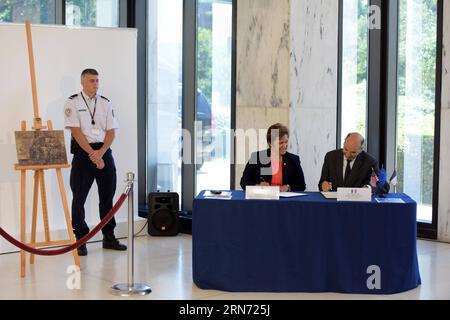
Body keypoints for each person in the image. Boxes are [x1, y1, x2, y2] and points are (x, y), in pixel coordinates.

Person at [64, 68, 126, 256]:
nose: (96, 84)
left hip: (103, 150)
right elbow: (75, 131)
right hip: (84, 152)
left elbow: (111, 132)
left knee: (107, 196)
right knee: (79, 197)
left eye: (97, 80)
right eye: (92, 81)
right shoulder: (73, 102)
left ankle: (108, 236)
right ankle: (81, 239)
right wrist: (92, 154)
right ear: (82, 82)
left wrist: (101, 153)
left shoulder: (105, 103)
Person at [240, 123, 306, 192]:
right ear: (270, 143)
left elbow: (301, 185)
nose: (285, 146)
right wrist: (258, 186)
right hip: (263, 199)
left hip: (285, 201)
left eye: (286, 142)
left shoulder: (293, 160)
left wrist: (288, 187)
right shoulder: (256, 157)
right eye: (281, 143)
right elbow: (244, 183)